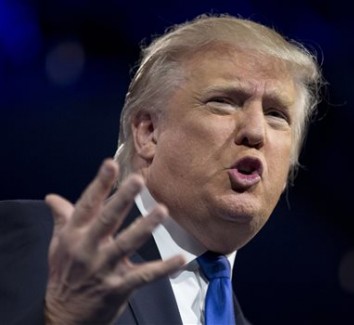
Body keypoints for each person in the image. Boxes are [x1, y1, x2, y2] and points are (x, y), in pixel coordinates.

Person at [0, 13, 322, 324]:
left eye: (277, 114)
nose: (255, 131)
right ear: (148, 132)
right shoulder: (47, 242)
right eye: (223, 101)